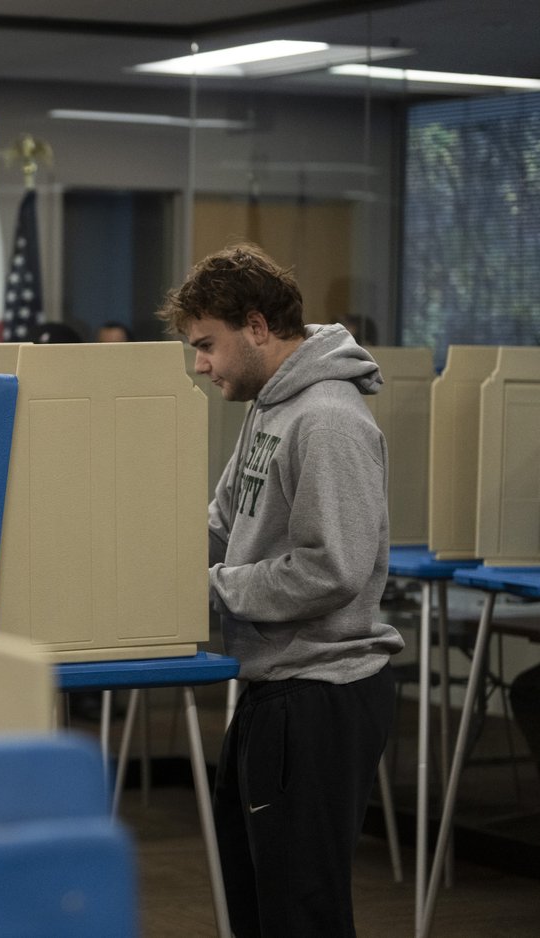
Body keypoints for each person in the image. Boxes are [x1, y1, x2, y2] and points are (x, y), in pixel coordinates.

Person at [157, 243, 403, 938]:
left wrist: (216, 589)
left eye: (207, 345)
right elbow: (222, 522)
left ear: (258, 326)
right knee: (260, 907)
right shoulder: (269, 406)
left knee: (302, 914)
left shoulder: (326, 418)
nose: (199, 365)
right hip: (276, 688)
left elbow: (335, 566)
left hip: (321, 693)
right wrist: (148, 582)